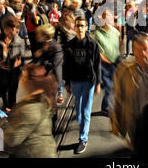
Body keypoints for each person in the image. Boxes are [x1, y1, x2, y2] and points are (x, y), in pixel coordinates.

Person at [111, 33, 148, 150]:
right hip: (135, 122)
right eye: (138, 50)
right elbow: (118, 96)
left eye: (145, 49)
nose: (143, 54)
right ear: (133, 52)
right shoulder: (124, 70)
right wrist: (116, 121)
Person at [0, 64, 57, 158]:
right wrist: (15, 115)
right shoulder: (43, 100)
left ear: (29, 82)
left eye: (24, 76)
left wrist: (0, 120)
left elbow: (12, 139)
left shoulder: (29, 108)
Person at [63, 17, 101, 154]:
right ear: (74, 27)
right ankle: (82, 126)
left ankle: (83, 138)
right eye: (78, 25)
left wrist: (98, 82)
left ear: (86, 28)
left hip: (88, 80)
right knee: (78, 111)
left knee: (85, 111)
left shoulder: (92, 44)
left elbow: (97, 64)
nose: (80, 28)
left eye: (82, 26)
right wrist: (66, 82)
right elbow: (66, 65)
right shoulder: (70, 45)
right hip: (75, 80)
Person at [0, 16, 25, 112]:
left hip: (14, 73)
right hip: (1, 73)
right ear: (4, 29)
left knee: (12, 96)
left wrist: (19, 62)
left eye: (15, 28)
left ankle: (12, 113)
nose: (13, 31)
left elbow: (22, 58)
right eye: (11, 28)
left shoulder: (19, 41)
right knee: (4, 95)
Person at [91, 10, 121, 116]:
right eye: (108, 16)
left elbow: (119, 42)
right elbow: (98, 53)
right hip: (104, 65)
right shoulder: (97, 34)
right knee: (109, 86)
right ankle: (106, 108)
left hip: (116, 62)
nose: (111, 18)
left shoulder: (114, 31)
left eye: (111, 16)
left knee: (115, 86)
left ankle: (107, 105)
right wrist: (107, 61)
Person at [32, 24, 64, 104]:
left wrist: (41, 55)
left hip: (52, 79)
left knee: (50, 103)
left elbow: (54, 64)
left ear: (45, 36)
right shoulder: (41, 44)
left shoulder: (56, 47)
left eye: (39, 34)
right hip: (42, 78)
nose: (37, 36)